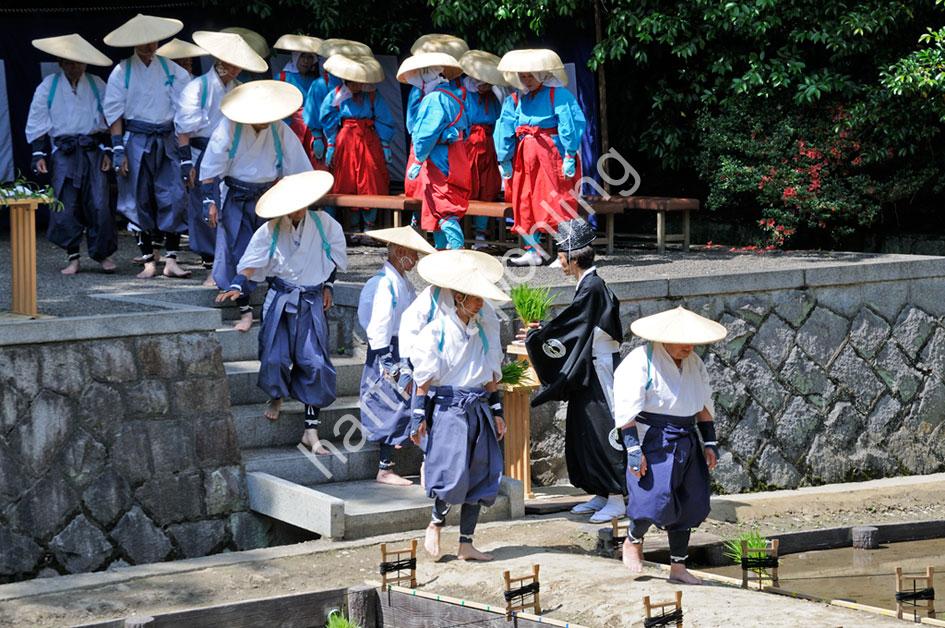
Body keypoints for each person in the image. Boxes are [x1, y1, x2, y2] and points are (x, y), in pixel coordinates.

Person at [216, 170, 347, 453]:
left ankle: (311, 430)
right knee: (275, 357)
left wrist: (328, 286)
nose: (297, 210)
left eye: (301, 204)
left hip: (311, 300)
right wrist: (238, 284)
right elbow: (251, 263)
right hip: (281, 299)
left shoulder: (326, 225)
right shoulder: (271, 229)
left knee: (315, 362)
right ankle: (276, 395)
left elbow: (333, 260)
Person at [613, 306, 727, 584]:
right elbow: (626, 410)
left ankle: (678, 567)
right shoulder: (640, 360)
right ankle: (632, 539)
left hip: (687, 436)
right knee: (653, 497)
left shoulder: (694, 363)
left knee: (689, 501)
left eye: (692, 342)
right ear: (664, 338)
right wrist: (633, 449)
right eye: (683, 341)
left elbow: (704, 405)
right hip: (653, 436)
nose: (689, 347)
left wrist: (710, 442)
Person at [522, 219, 626, 522]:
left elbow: (573, 326)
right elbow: (575, 325)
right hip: (589, 366)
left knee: (603, 427)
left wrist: (538, 336)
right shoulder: (589, 285)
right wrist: (542, 331)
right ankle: (600, 491)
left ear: (573, 258)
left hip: (601, 369)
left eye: (561, 257)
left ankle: (617, 496)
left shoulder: (592, 287)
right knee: (584, 430)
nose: (560, 263)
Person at [408, 250, 507, 562]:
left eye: (480, 298)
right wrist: (418, 417)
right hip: (449, 408)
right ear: (459, 297)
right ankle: (435, 523)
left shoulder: (482, 331)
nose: (480, 304)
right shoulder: (436, 332)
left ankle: (466, 543)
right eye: (475, 298)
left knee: (480, 474)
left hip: (478, 407)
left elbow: (489, 376)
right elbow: (423, 382)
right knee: (452, 472)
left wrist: (497, 412)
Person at [199, 80, 312, 331]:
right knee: (239, 251)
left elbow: (299, 168)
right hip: (236, 197)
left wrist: (300, 200)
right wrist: (209, 201)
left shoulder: (279, 129)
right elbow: (211, 166)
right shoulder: (229, 126)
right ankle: (245, 310)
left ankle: (276, 307)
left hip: (270, 197)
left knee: (275, 250)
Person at [102, 13, 192, 279]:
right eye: (143, 41)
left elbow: (184, 112)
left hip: (166, 137)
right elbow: (114, 113)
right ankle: (148, 261)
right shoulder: (122, 71)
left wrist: (185, 154)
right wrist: (118, 150)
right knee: (136, 197)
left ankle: (171, 259)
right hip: (136, 138)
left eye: (152, 41)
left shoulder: (172, 70)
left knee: (174, 195)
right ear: (133, 42)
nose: (148, 46)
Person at [176, 31, 267, 284]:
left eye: (239, 64)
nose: (236, 68)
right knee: (206, 209)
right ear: (220, 60)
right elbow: (184, 129)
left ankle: (233, 265)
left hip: (233, 157)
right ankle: (210, 266)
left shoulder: (239, 90)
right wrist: (186, 162)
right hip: (201, 152)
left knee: (229, 210)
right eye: (232, 63)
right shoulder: (197, 87)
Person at [26, 34, 117, 276]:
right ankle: (73, 257)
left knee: (99, 204)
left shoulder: (97, 84)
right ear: (61, 63)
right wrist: (38, 154)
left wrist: (109, 150)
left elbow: (110, 118)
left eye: (78, 62)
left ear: (85, 63)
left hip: (93, 150)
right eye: (69, 62)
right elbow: (37, 120)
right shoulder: (48, 86)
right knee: (65, 206)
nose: (74, 66)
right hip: (64, 152)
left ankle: (102, 254)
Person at [357, 226, 436, 486]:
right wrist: (388, 363)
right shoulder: (383, 284)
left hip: (402, 348)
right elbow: (377, 324)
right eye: (413, 254)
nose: (415, 260)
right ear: (400, 252)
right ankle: (384, 468)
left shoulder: (402, 282)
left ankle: (398, 464)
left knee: (403, 405)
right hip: (387, 352)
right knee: (389, 405)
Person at [494, 49, 586, 266]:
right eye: (523, 76)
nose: (526, 80)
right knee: (525, 200)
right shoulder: (518, 98)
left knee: (558, 198)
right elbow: (505, 126)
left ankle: (567, 252)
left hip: (551, 154)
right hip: (525, 155)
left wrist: (570, 154)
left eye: (530, 75)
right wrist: (504, 158)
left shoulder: (559, 95)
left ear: (542, 74)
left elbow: (569, 124)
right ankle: (533, 250)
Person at [399, 52, 470, 250]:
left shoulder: (433, 99)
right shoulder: (454, 96)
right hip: (456, 156)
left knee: (442, 205)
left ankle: (456, 252)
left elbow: (425, 133)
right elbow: (467, 128)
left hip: (440, 158)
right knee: (439, 203)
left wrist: (418, 159)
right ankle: (441, 252)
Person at [319, 53, 394, 235]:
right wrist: (331, 144)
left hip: (369, 141)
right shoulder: (336, 95)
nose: (356, 85)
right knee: (348, 181)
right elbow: (327, 119)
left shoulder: (373, 95)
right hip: (346, 142)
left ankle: (369, 226)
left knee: (371, 180)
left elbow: (384, 119)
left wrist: (385, 144)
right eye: (352, 82)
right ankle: (352, 227)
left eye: (359, 82)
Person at [404, 34, 468, 202]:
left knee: (437, 198)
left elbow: (423, 130)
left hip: (436, 151)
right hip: (444, 150)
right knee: (439, 196)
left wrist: (420, 156)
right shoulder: (446, 92)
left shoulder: (437, 94)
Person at [459, 50, 508, 248]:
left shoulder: (493, 97)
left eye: (489, 83)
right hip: (467, 146)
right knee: (466, 186)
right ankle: (460, 233)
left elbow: (498, 121)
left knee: (487, 187)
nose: (486, 87)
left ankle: (481, 235)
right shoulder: (462, 94)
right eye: (483, 83)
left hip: (488, 145)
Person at [303, 39, 370, 172]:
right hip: (324, 137)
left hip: (350, 139)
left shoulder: (360, 85)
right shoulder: (320, 84)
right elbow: (313, 113)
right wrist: (317, 137)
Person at [273, 34, 323, 166]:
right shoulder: (282, 77)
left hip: (311, 131)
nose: (306, 61)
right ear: (295, 57)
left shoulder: (315, 81)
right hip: (287, 128)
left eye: (310, 57)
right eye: (302, 56)